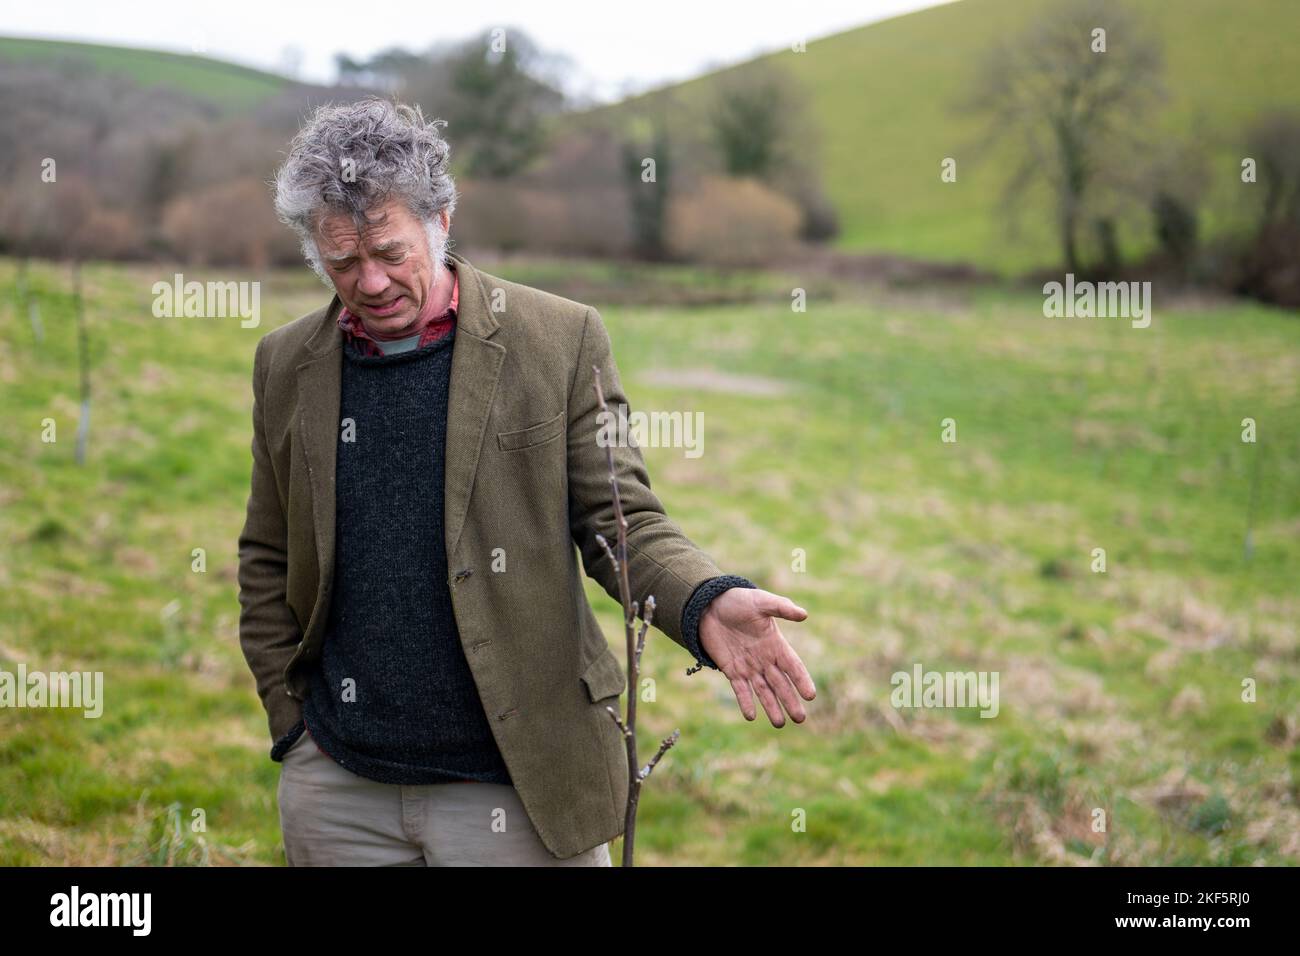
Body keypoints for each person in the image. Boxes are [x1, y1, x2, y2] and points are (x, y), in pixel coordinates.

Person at [237, 96, 816, 866]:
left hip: (518, 786)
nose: (370, 281)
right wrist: (292, 721)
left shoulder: (559, 339)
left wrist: (704, 599)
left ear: (442, 220)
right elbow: (266, 554)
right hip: (342, 789)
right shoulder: (286, 363)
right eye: (343, 262)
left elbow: (622, 523)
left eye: (390, 252)